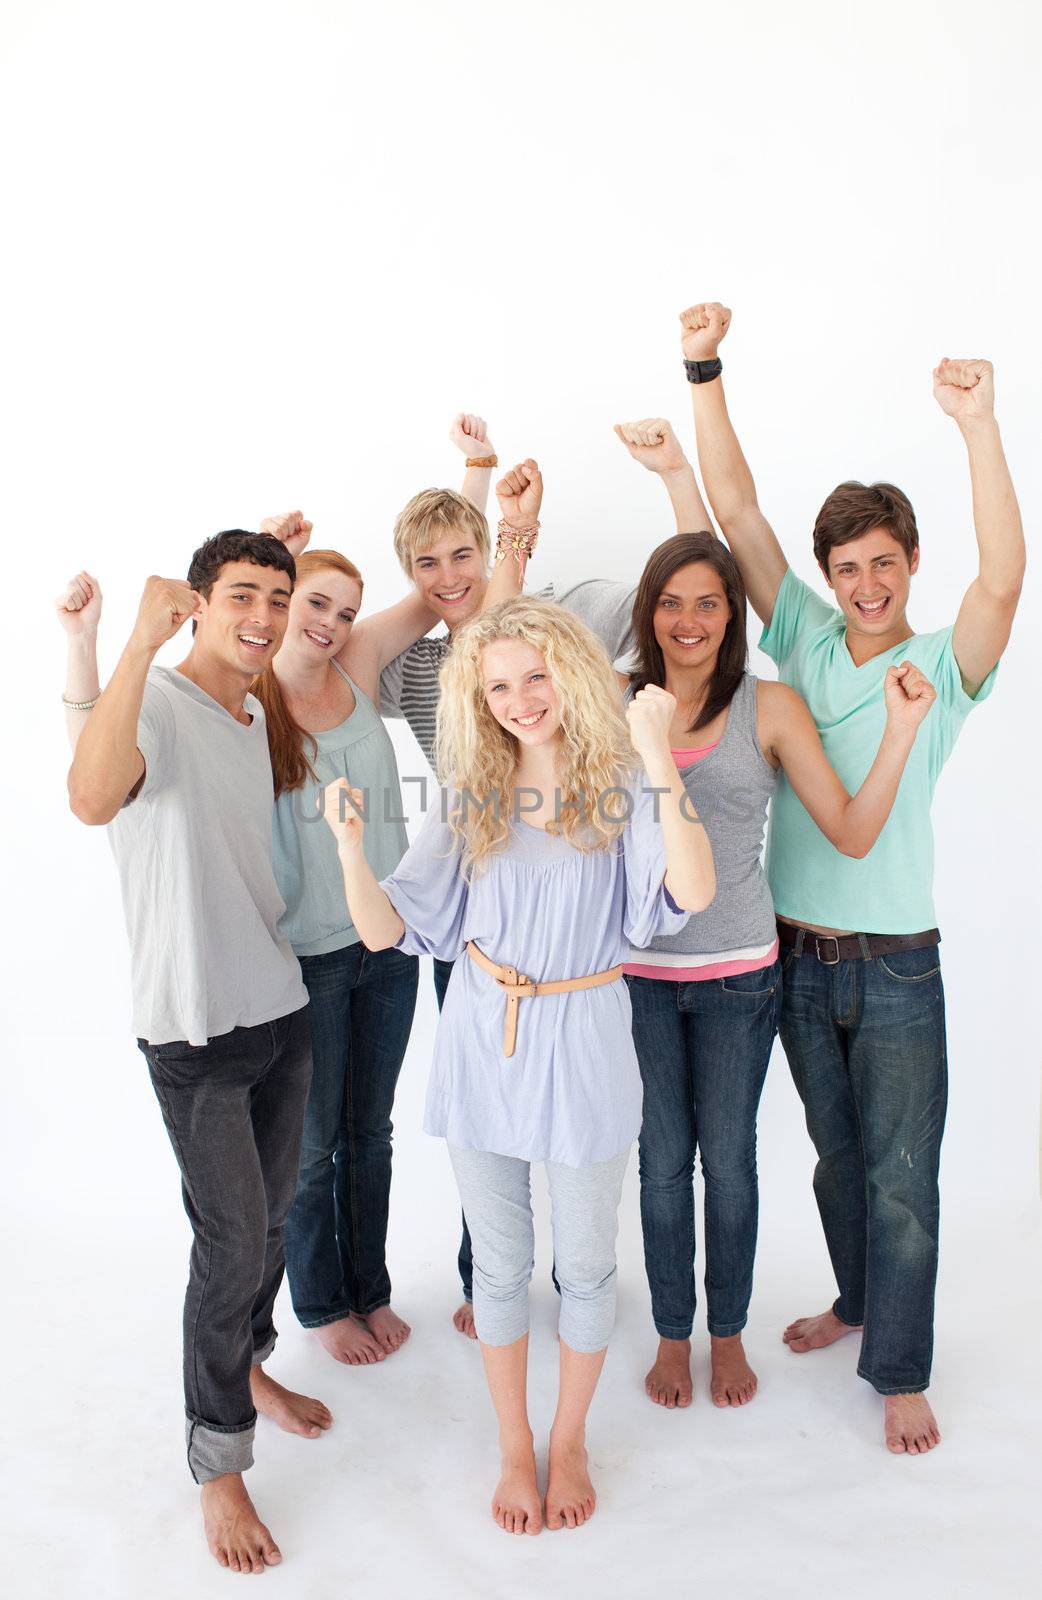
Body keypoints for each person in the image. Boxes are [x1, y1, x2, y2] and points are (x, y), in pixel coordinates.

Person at [678, 301, 1025, 1454]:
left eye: (882, 564)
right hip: (787, 955)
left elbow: (1004, 581)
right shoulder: (808, 641)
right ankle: (860, 1301)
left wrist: (976, 425)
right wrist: (702, 368)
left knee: (899, 1173)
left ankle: (901, 1366)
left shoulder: (941, 666)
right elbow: (735, 509)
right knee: (835, 1160)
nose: (865, 583)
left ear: (909, 563)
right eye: (847, 569)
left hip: (894, 971)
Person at [323, 597, 716, 1534]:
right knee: (498, 1273)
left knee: (583, 1269)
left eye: (535, 675)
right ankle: (512, 1447)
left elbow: (692, 891)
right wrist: (348, 845)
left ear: (571, 673)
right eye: (497, 685)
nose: (519, 699)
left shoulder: (622, 782)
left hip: (583, 1036)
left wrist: (658, 749)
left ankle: (569, 1440)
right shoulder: (472, 792)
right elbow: (392, 930)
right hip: (483, 1037)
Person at [603, 436, 938, 1410]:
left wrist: (904, 732)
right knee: (662, 1164)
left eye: (711, 600)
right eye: (670, 602)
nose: (690, 618)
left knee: (732, 1163)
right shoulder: (623, 705)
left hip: (745, 974)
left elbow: (849, 826)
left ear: (733, 615)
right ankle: (674, 1335)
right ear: (648, 614)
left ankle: (726, 1331)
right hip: (639, 977)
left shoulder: (772, 705)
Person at [66, 531, 330, 1574]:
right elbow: (90, 797)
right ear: (195, 606)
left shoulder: (252, 706)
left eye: (279, 597)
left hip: (279, 1005)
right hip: (193, 1033)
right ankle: (218, 1459)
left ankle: (251, 1360)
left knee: (268, 1222)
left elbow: (240, 606)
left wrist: (254, 563)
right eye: (243, 599)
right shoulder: (158, 704)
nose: (264, 616)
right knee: (228, 1243)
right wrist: (126, 638)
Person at [251, 545, 422, 1368]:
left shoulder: (352, 668)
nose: (330, 624)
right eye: (315, 604)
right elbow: (192, 661)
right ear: (283, 602)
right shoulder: (247, 695)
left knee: (372, 1132)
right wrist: (264, 548)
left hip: (391, 943)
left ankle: (370, 1288)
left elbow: (436, 595)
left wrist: (489, 491)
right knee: (314, 1143)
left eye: (346, 611)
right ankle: (321, 1306)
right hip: (308, 957)